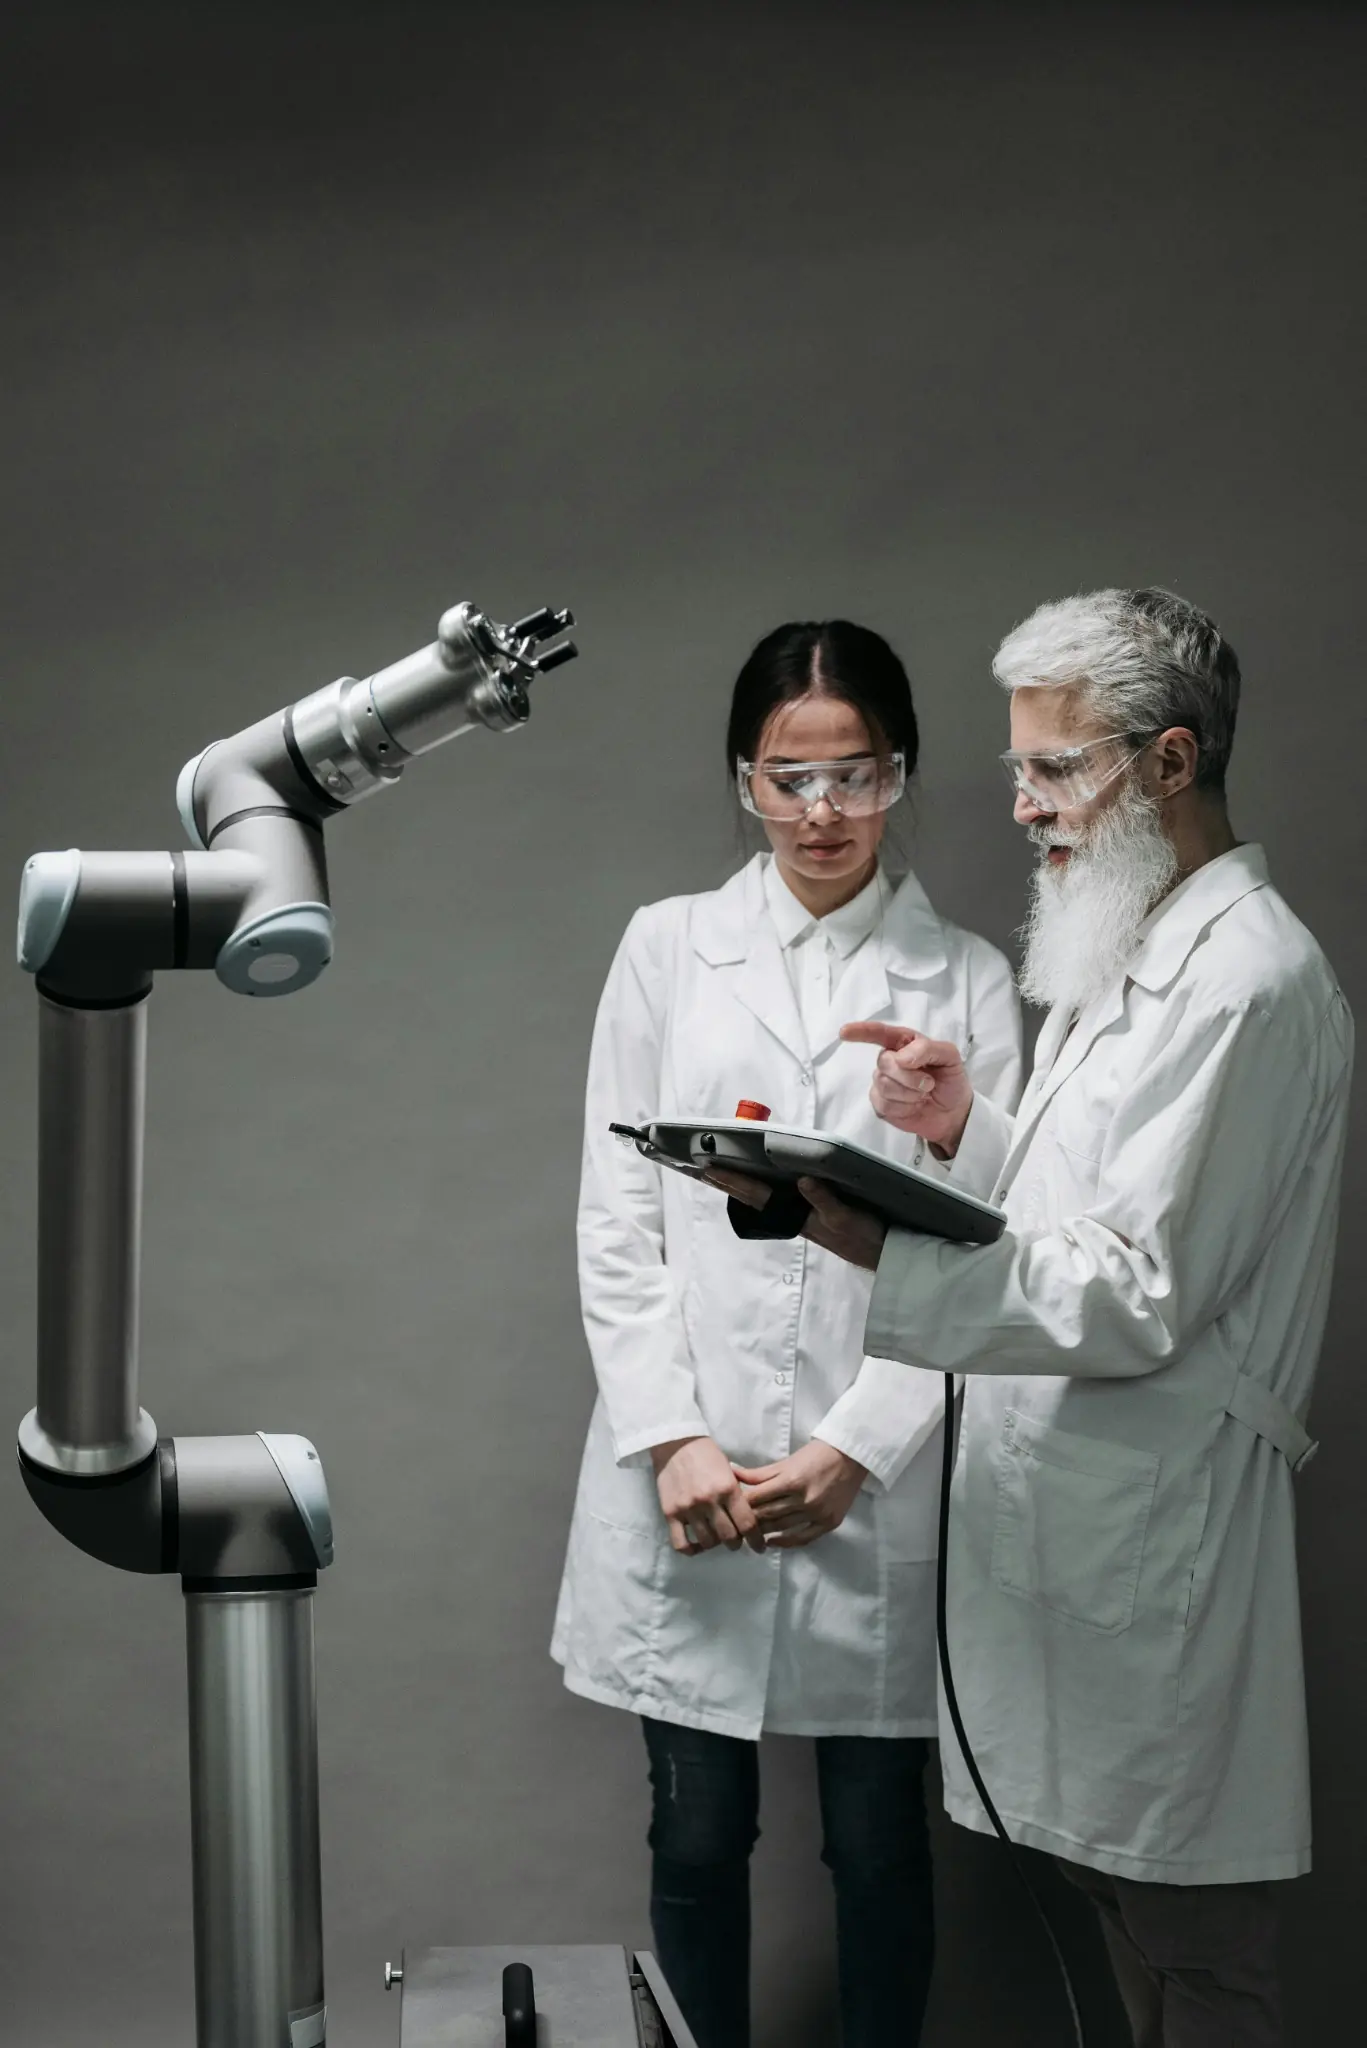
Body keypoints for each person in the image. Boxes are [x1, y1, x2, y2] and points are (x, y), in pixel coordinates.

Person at [714, 588, 1352, 2047]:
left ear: (1171, 762)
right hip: (1084, 1510)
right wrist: (967, 1131)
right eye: (1020, 767)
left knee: (1195, 1949)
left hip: (1160, 1522)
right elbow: (1098, 1208)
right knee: (1128, 1916)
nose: (1021, 805)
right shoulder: (1138, 945)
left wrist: (874, 1241)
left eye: (1057, 768)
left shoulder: (1250, 982)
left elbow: (1137, 1289)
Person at [551, 619, 1023, 2048]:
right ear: (742, 782)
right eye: (788, 779)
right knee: (695, 1836)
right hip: (691, 1469)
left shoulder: (965, 979)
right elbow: (618, 1217)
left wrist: (857, 1447)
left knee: (879, 1844)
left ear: (902, 774)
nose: (822, 812)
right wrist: (673, 1438)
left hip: (872, 1474)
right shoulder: (668, 949)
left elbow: (992, 1241)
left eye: (856, 776)